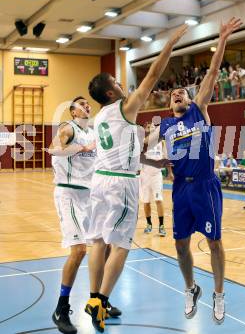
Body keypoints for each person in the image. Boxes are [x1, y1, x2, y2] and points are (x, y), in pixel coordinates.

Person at [85, 24, 188, 332]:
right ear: (110, 92)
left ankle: (94, 298)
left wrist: (149, 157)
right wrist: (169, 43)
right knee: (120, 246)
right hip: (120, 184)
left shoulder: (100, 117)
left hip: (100, 180)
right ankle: (101, 301)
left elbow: (125, 149)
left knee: (97, 241)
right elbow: (153, 77)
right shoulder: (123, 107)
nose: (122, 84)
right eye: (117, 82)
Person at [147, 17, 242, 325]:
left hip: (205, 185)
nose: (178, 94)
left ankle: (218, 294)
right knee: (180, 244)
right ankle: (190, 288)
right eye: (174, 94)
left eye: (182, 93)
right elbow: (139, 153)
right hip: (180, 189)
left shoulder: (199, 109)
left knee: (214, 242)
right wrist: (156, 163)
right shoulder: (165, 126)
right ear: (168, 101)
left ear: (189, 98)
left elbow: (213, 72)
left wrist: (223, 37)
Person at [49, 97, 121, 334]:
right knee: (79, 250)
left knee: (106, 247)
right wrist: (81, 147)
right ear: (72, 111)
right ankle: (61, 308)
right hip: (69, 194)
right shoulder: (68, 128)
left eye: (88, 103)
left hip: (91, 196)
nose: (87, 105)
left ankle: (100, 300)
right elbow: (54, 150)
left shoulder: (94, 132)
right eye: (81, 103)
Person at [140, 122, 167, 236]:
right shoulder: (143, 143)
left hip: (156, 175)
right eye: (149, 127)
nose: (151, 129)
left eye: (153, 128)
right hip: (145, 175)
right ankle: (149, 224)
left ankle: (161, 226)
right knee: (146, 201)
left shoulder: (162, 142)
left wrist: (170, 173)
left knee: (158, 200)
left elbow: (165, 157)